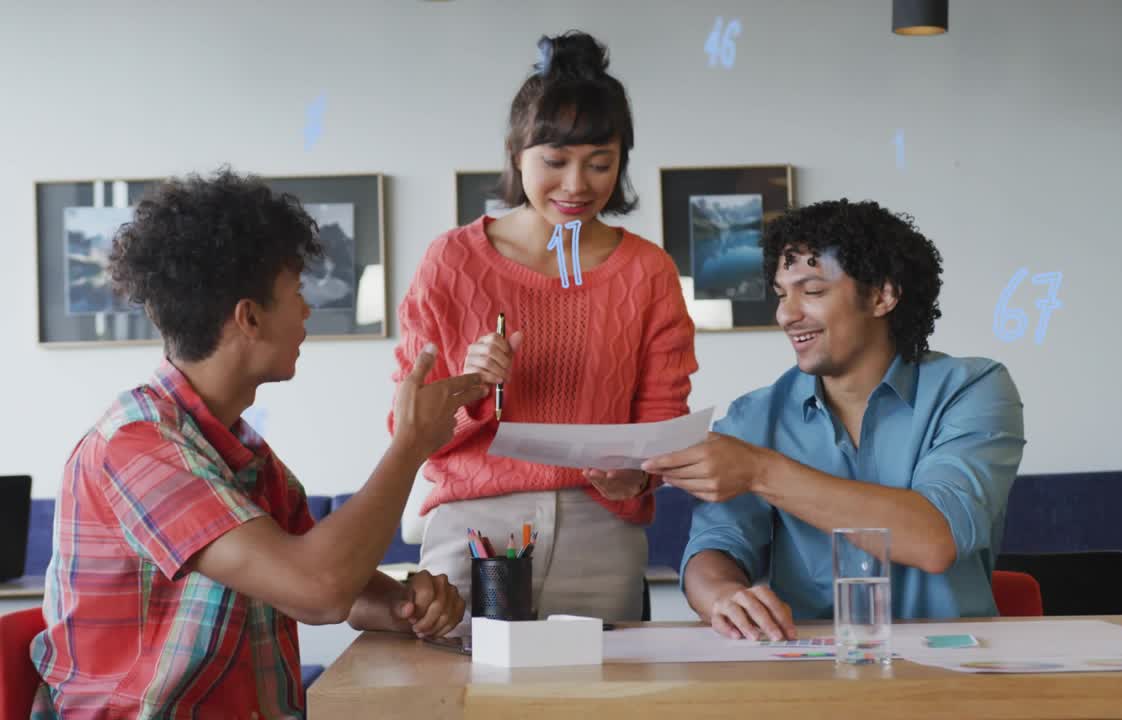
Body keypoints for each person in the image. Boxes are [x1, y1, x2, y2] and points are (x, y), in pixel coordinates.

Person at [30, 169, 485, 719]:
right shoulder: (135, 447)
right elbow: (317, 589)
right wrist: (410, 444)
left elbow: (338, 588)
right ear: (249, 317)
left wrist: (404, 603)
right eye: (297, 293)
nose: (308, 311)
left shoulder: (239, 453)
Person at [392, 31, 697, 624]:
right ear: (517, 156)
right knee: (463, 699)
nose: (577, 185)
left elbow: (661, 417)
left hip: (599, 528)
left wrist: (633, 475)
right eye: (555, 163)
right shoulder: (451, 262)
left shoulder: (647, 271)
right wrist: (472, 393)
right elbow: (405, 427)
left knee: (597, 699)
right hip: (475, 523)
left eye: (600, 164)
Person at [643, 199, 1026, 641]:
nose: (786, 314)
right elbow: (716, 546)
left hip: (954, 670)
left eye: (812, 291)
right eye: (782, 294)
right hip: (813, 666)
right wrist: (724, 595)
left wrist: (759, 470)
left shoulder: (973, 389)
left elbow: (935, 538)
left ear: (882, 295)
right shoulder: (754, 417)